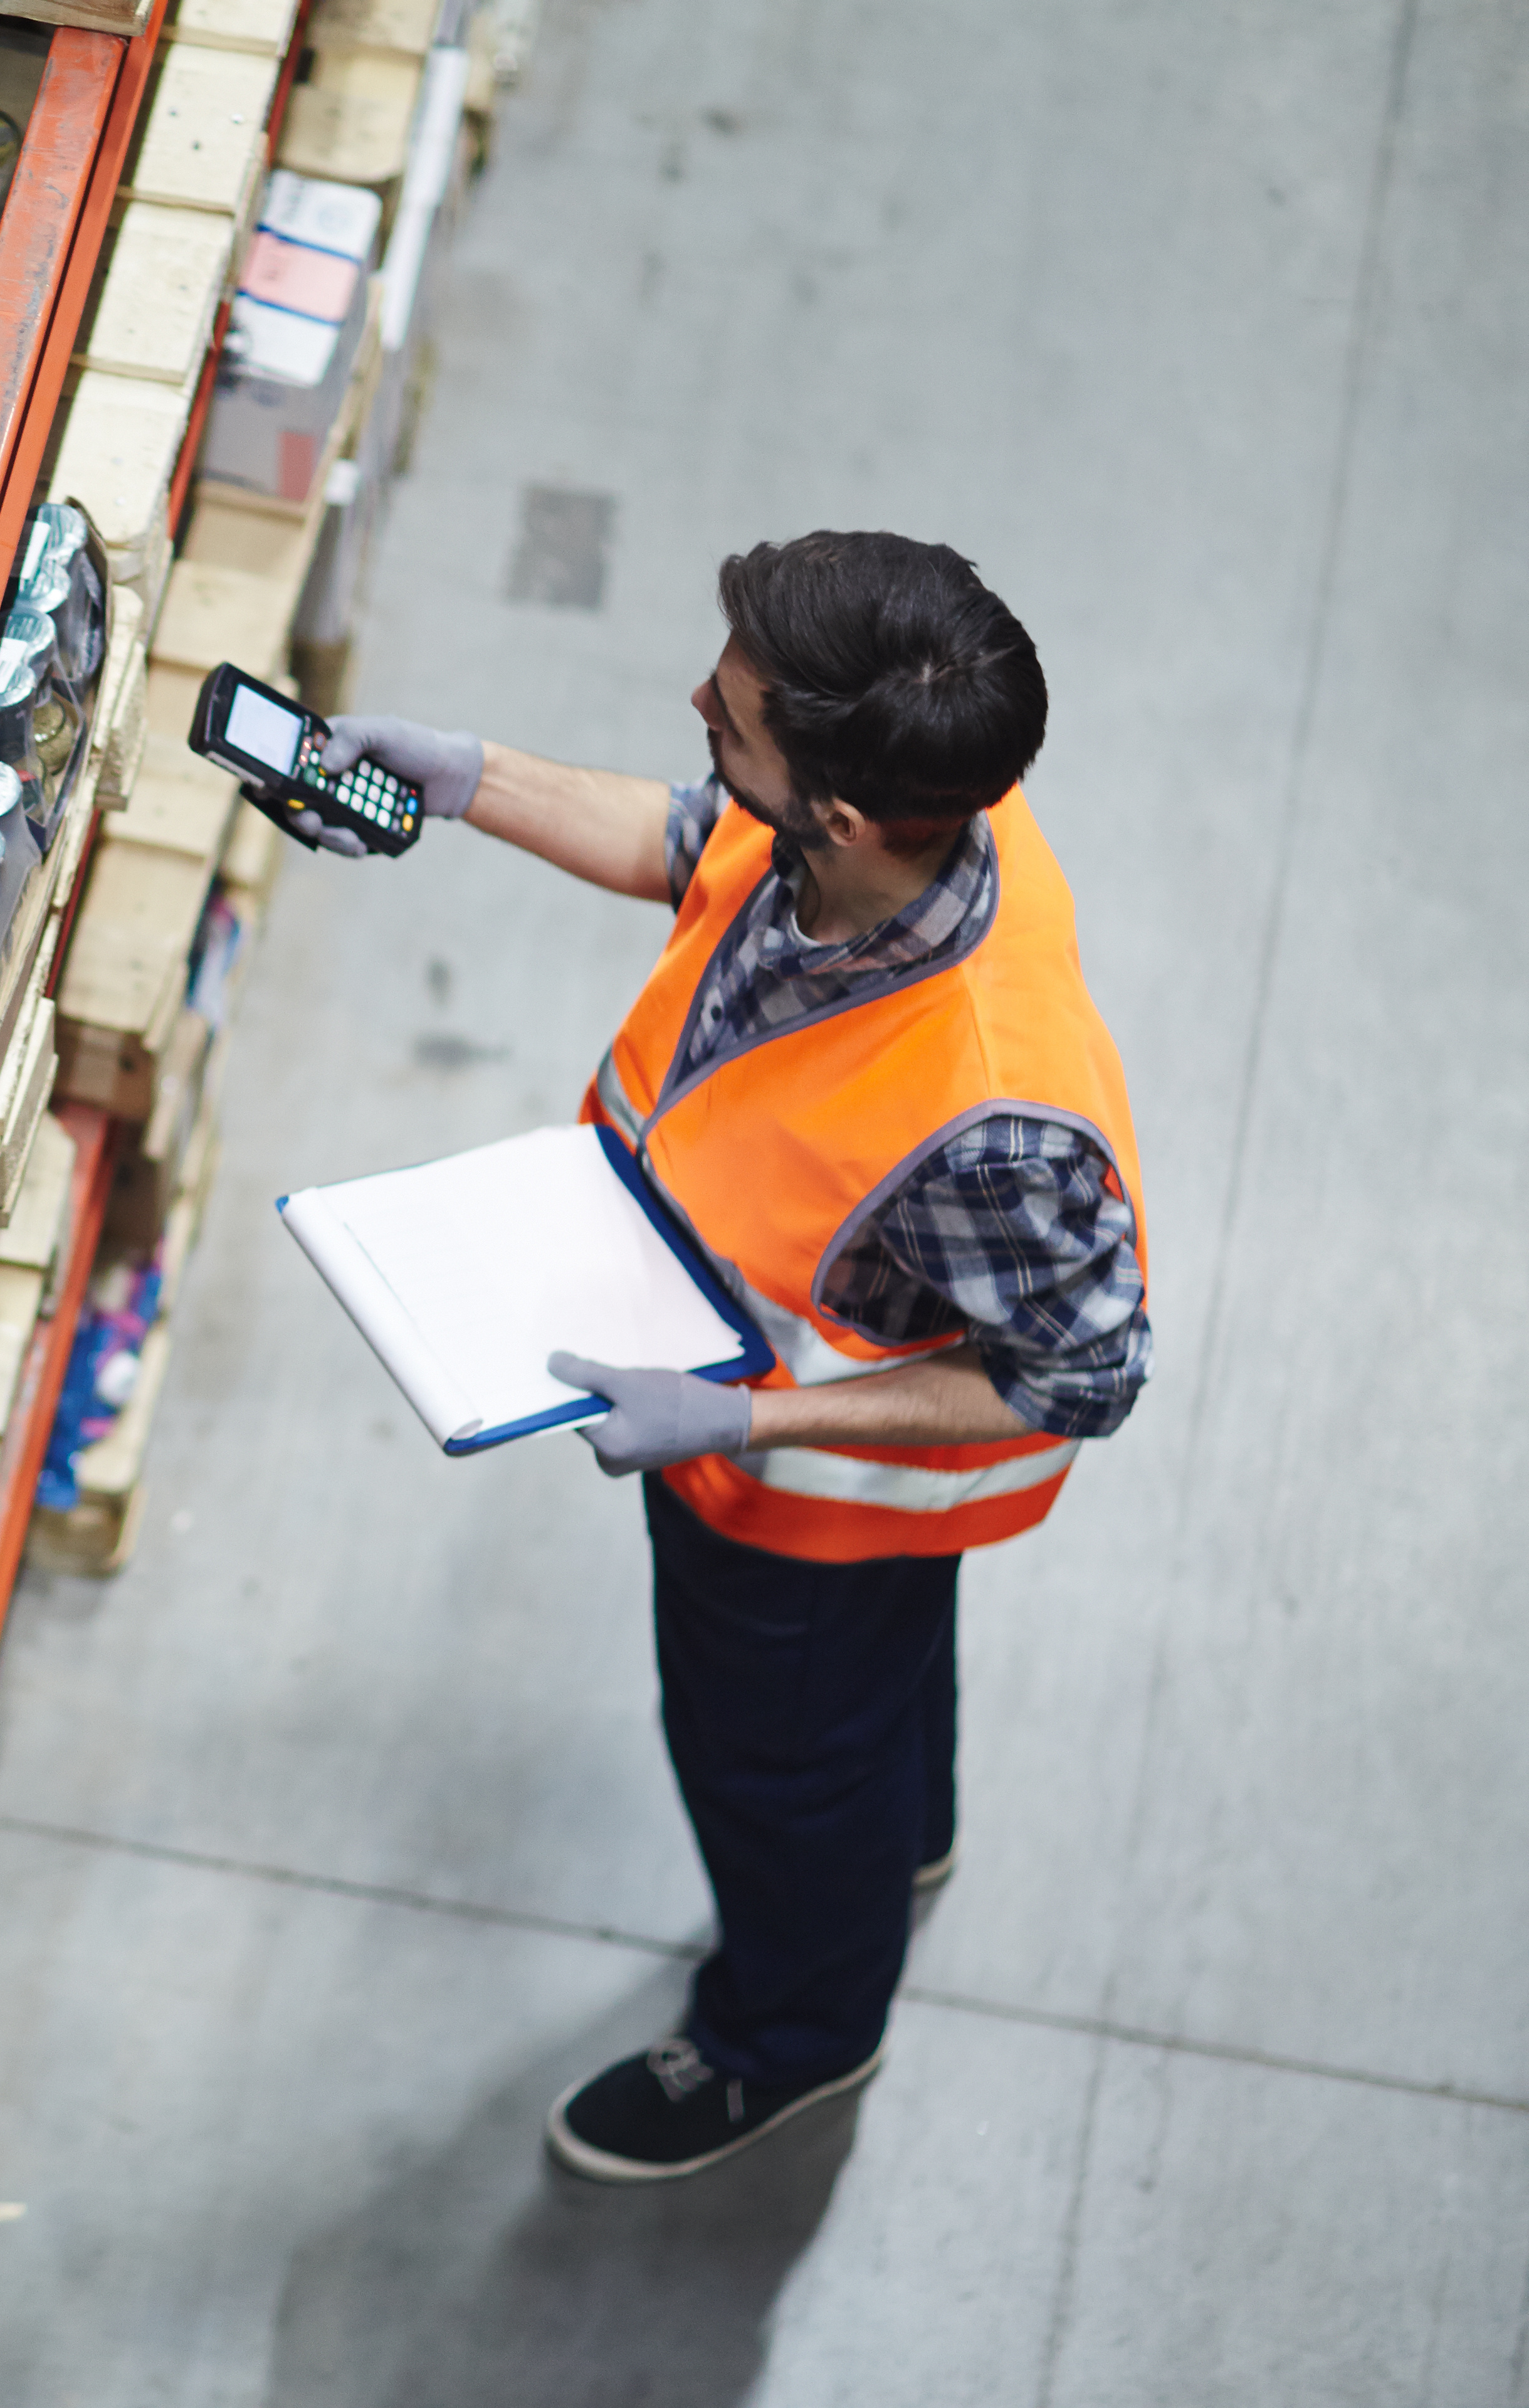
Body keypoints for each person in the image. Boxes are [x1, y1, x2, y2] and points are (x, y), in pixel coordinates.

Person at [311, 531, 1148, 2183]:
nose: (699, 704)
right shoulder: (910, 821)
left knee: (776, 1767)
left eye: (735, 712)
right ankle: (901, 1839)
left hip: (801, 1517)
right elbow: (700, 841)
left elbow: (1086, 1373)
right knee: (869, 1743)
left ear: (838, 811)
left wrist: (745, 1415)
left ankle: (798, 2037)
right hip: (794, 1483)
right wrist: (472, 780)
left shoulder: (992, 1114)